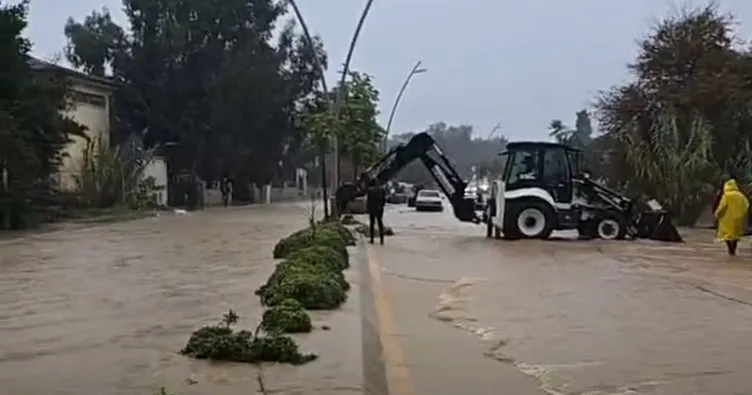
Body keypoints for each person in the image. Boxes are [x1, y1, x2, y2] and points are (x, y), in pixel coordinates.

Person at [714, 178, 749, 256]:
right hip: (739, 218)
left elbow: (722, 206)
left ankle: (730, 249)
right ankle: (734, 249)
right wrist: (742, 214)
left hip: (727, 219)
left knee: (727, 235)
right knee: (735, 235)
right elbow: (746, 205)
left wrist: (717, 214)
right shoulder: (741, 196)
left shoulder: (726, 195)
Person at [366, 179, 387, 245]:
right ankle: (382, 240)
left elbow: (368, 201)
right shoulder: (382, 190)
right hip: (379, 209)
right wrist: (381, 206)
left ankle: (372, 239)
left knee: (372, 224)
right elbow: (384, 200)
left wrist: (368, 209)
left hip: (372, 209)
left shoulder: (370, 190)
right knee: (380, 223)